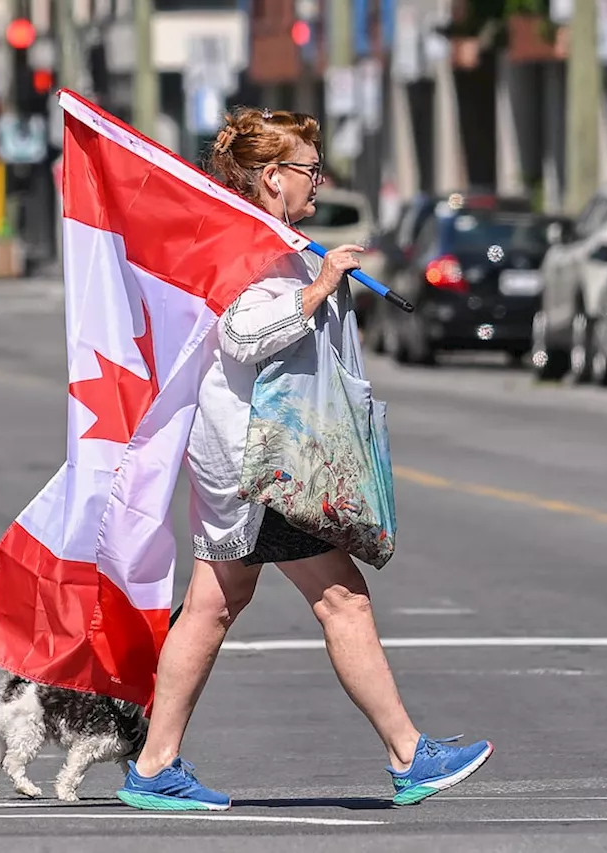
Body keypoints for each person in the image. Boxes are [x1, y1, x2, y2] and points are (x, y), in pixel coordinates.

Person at [115, 107, 494, 812]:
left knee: (213, 604)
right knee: (340, 595)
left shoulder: (274, 240)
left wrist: (314, 271)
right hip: (261, 460)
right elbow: (242, 334)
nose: (318, 181)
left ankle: (154, 762)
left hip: (249, 453)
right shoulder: (249, 247)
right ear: (271, 177)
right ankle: (408, 752)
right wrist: (318, 286)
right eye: (309, 170)